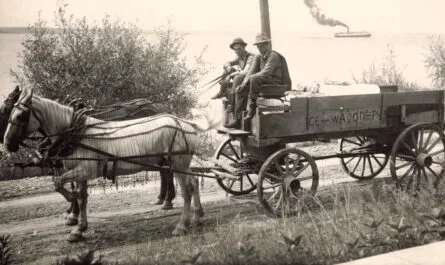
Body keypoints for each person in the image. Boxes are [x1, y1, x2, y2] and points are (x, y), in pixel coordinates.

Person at [225, 33, 292, 129]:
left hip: (276, 83)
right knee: (239, 79)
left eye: (262, 46)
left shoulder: (273, 56)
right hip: (264, 81)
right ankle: (238, 119)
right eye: (258, 46)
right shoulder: (258, 57)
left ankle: (251, 108)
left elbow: (266, 73)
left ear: (267, 45)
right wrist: (243, 84)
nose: (260, 48)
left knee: (254, 78)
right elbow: (250, 72)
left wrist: (250, 79)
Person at [211, 38, 255, 116]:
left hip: (250, 80)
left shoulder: (250, 57)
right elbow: (227, 63)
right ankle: (222, 92)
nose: (237, 51)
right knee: (228, 70)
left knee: (236, 78)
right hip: (242, 78)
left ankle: (232, 105)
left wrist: (231, 74)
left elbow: (245, 71)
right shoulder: (239, 57)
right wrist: (228, 67)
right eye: (235, 50)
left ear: (244, 47)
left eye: (239, 49)